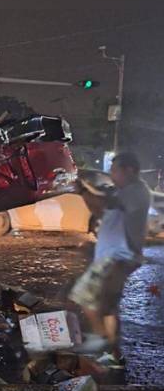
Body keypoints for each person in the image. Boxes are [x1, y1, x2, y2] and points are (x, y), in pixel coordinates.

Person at [69, 152, 151, 368]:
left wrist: (83, 189)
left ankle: (101, 342)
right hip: (111, 255)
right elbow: (100, 210)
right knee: (108, 307)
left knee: (88, 300)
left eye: (115, 170)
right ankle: (113, 354)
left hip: (118, 258)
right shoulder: (124, 191)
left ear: (130, 170)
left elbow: (104, 205)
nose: (112, 175)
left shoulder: (135, 191)